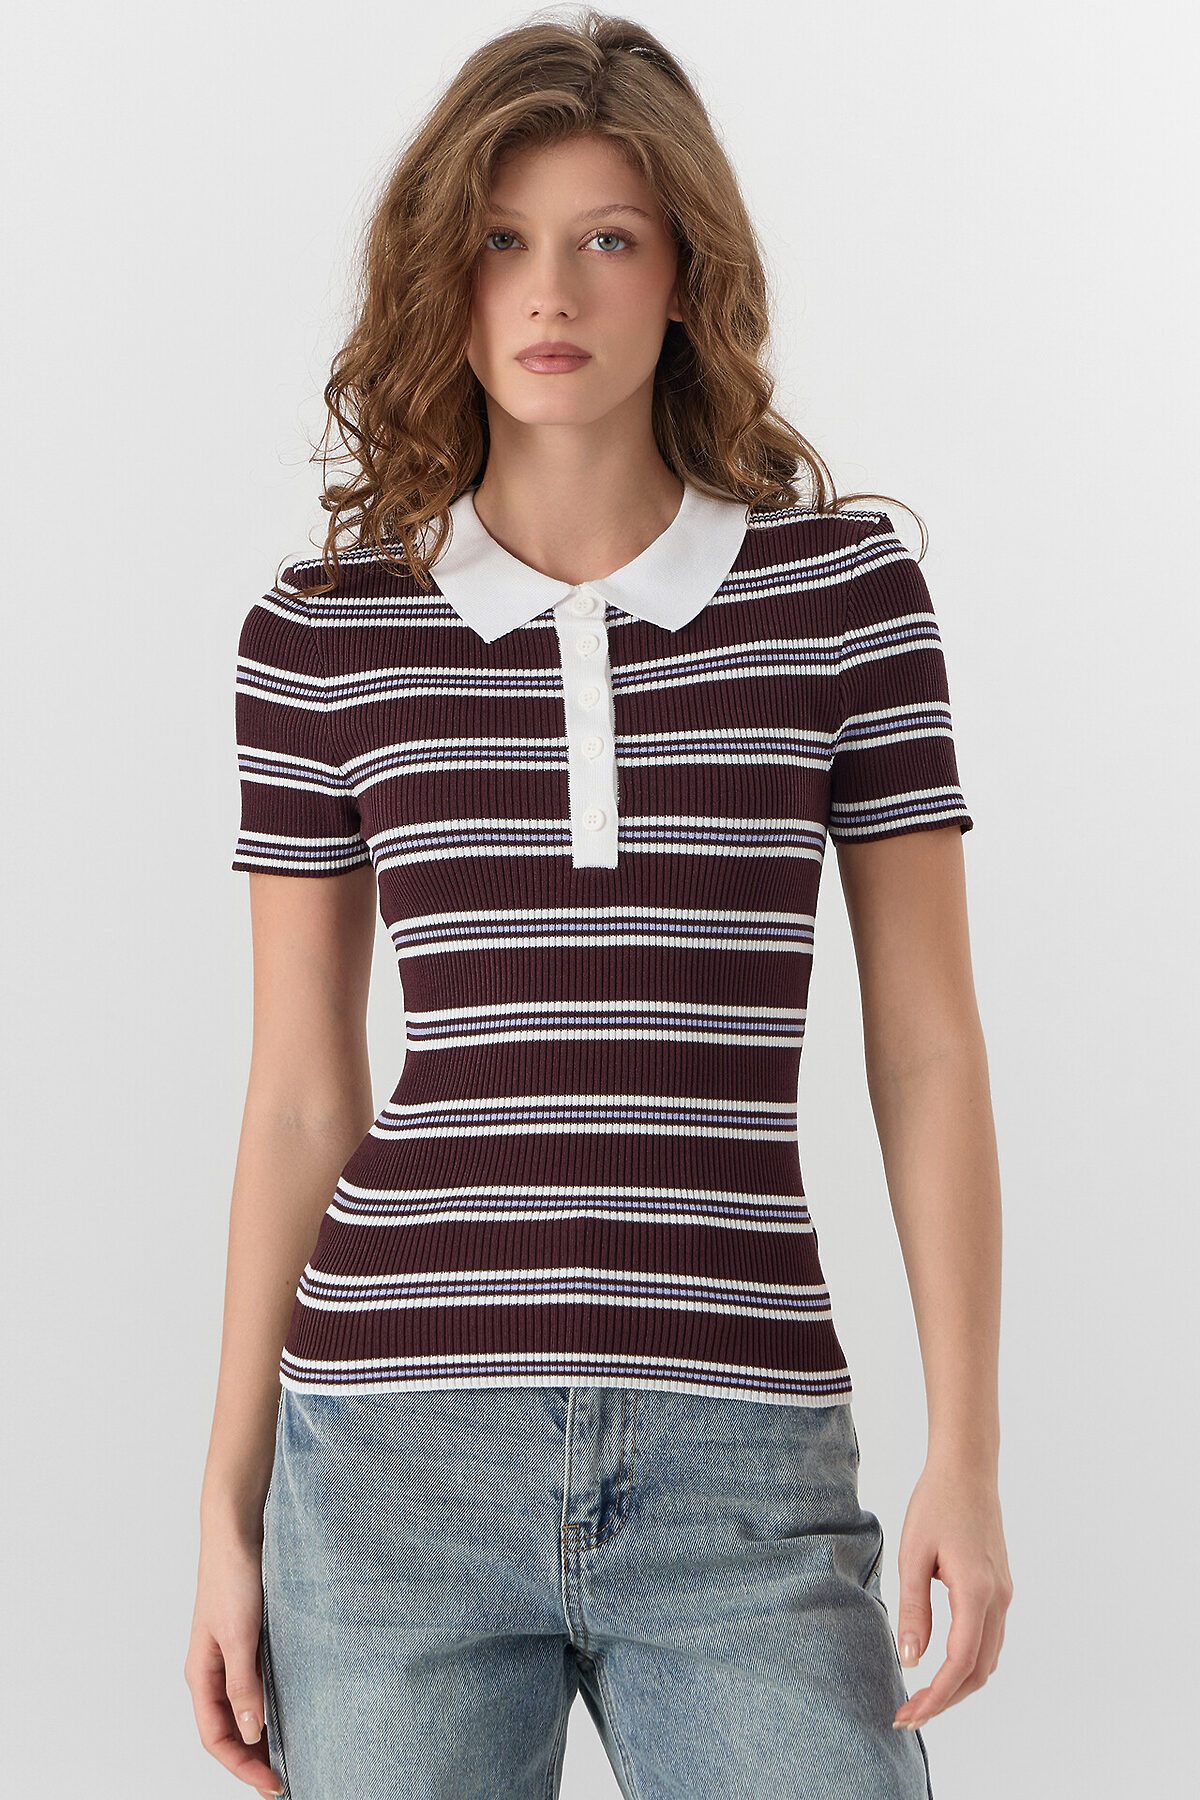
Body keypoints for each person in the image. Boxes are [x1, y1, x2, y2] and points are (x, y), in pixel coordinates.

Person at [185, 12, 1011, 1798]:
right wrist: (223, 1513)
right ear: (445, 273)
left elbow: (930, 1049)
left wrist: (969, 1447)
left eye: (607, 238)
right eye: (502, 240)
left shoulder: (841, 602)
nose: (549, 290)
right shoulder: (324, 637)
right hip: (392, 1465)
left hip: (744, 1455)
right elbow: (304, 1096)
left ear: (687, 275)